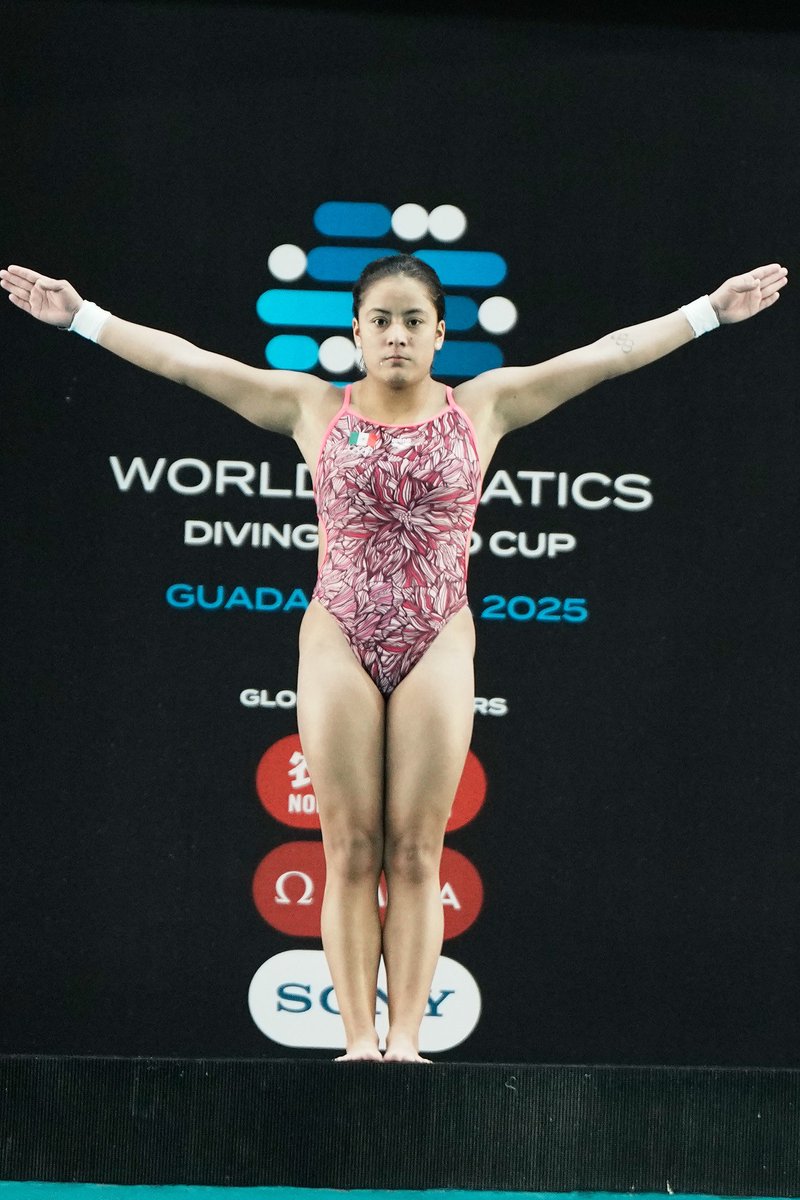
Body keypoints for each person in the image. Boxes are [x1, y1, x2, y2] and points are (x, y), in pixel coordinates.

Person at [1, 254, 788, 1062]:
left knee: (415, 850)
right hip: (339, 631)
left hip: (437, 633)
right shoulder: (311, 406)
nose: (398, 335)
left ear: (442, 334)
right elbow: (189, 363)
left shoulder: (486, 405)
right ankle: (355, 1042)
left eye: (414, 321)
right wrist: (81, 317)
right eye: (381, 320)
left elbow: (608, 354)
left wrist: (710, 313)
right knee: (347, 847)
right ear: (355, 332)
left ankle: (406, 1042)